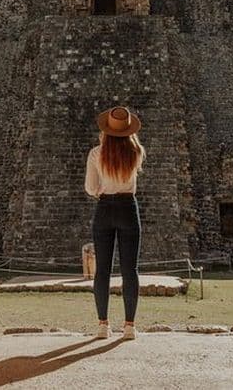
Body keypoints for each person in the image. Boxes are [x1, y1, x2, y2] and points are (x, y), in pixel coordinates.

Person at [84, 106, 145, 340]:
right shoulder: (136, 151)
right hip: (128, 207)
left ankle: (103, 324)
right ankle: (129, 326)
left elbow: (90, 188)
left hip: (105, 207)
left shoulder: (96, 154)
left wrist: (102, 190)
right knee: (130, 269)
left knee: (103, 271)